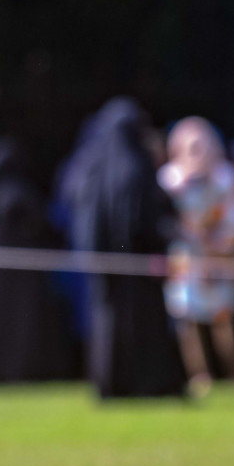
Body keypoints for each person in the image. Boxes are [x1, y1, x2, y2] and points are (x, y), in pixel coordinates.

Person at [61, 98, 186, 399]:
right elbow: (141, 222)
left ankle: (111, 383)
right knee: (143, 324)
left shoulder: (93, 170)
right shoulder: (135, 169)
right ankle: (147, 383)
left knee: (109, 323)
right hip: (138, 265)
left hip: (107, 266)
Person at [0, 136, 75, 383]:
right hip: (25, 277)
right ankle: (26, 369)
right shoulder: (22, 195)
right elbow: (45, 228)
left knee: (1, 325)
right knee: (25, 325)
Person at [158, 117, 234, 396]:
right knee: (188, 320)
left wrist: (219, 246)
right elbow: (164, 219)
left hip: (219, 256)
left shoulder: (225, 177)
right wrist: (189, 234)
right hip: (186, 258)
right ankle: (199, 374)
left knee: (225, 317)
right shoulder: (169, 179)